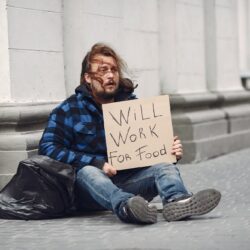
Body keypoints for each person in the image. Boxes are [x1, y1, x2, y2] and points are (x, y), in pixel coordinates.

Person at [39, 43, 221, 224]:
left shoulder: (132, 107)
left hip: (128, 183)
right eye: (103, 70)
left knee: (165, 166)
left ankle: (177, 202)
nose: (110, 75)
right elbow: (47, 148)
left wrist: (168, 151)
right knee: (89, 172)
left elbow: (145, 152)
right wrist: (96, 163)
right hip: (88, 190)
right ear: (87, 77)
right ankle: (126, 207)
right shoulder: (68, 110)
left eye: (114, 70)